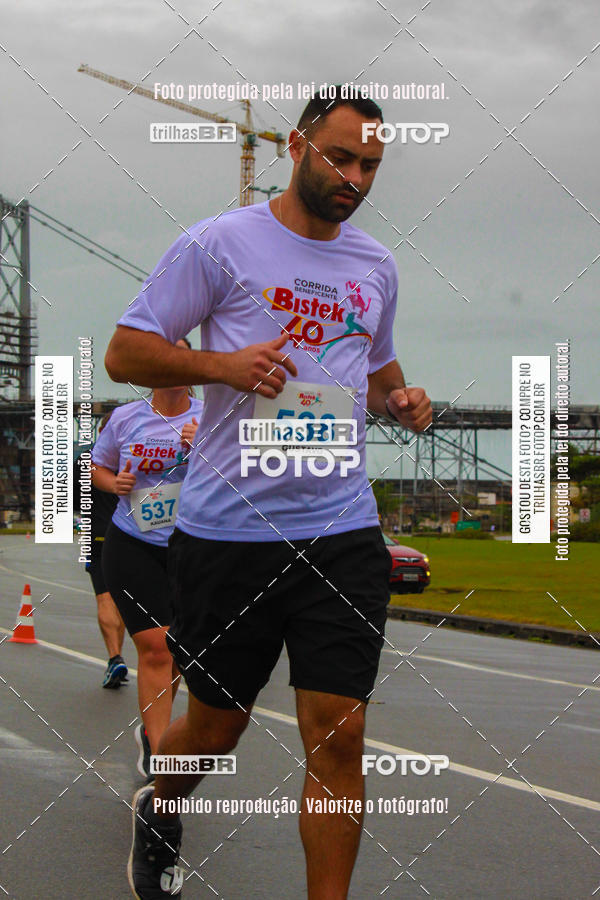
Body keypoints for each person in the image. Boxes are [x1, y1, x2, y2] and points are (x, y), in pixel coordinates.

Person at [105, 88, 432, 899]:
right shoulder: (219, 245)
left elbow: (376, 362)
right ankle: (160, 800)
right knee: (217, 731)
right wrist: (221, 364)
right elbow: (124, 353)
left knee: (339, 737)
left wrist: (402, 399)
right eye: (342, 156)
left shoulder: (375, 265)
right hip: (227, 535)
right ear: (296, 145)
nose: (355, 176)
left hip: (341, 531)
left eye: (371, 165)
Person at [92, 338, 202, 779]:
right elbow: (98, 468)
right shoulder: (126, 418)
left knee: (174, 650)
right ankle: (162, 760)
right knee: (155, 648)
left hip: (191, 547)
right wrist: (113, 482)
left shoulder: (211, 419)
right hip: (132, 542)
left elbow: (240, 477)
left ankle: (156, 732)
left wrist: (204, 450)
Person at [81, 412, 128, 688]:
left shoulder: (87, 459)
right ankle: (117, 658)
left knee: (104, 598)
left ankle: (115, 656)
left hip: (98, 533)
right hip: (130, 533)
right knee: (121, 601)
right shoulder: (134, 457)